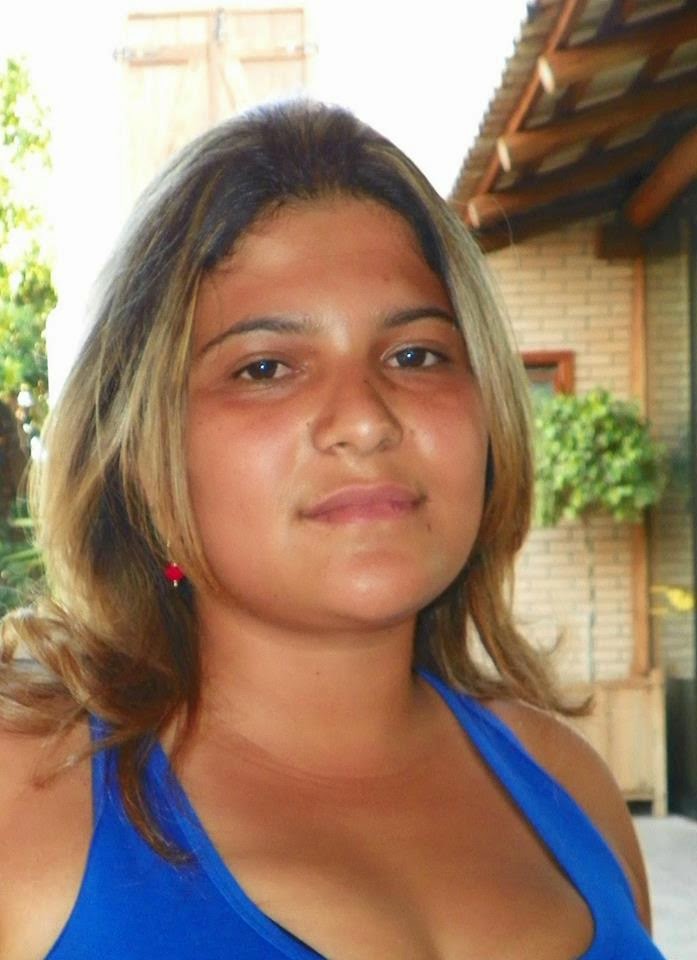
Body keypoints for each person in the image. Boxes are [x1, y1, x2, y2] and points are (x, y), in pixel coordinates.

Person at [0, 100, 665, 960]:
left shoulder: (570, 785)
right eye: (266, 368)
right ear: (139, 449)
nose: (365, 419)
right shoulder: (26, 795)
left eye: (415, 355)